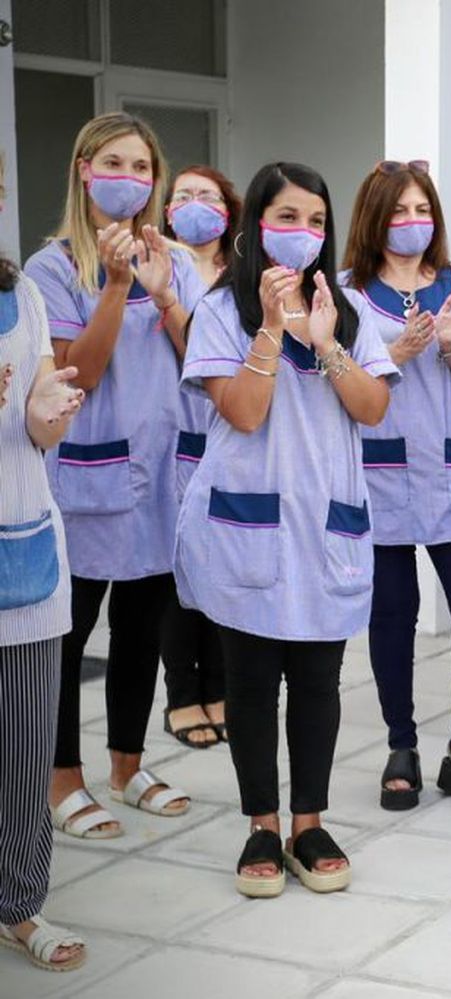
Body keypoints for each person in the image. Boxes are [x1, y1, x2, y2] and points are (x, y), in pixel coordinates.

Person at [175, 161, 397, 897]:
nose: (302, 233)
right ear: (256, 227)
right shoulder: (220, 311)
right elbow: (242, 411)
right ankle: (261, 825)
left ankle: (310, 822)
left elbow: (372, 409)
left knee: (317, 680)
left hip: (326, 523)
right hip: (252, 522)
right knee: (250, 681)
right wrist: (271, 330)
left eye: (314, 220)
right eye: (287, 218)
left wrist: (327, 342)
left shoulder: (350, 308)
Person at [25, 112, 200, 840]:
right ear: (84, 170)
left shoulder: (179, 261)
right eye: (115, 164)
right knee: (72, 632)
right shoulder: (51, 268)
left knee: (143, 625)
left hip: (161, 474)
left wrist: (162, 292)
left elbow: (202, 359)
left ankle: (127, 764)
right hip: (91, 476)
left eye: (141, 167)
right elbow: (78, 373)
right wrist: (115, 284)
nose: (129, 179)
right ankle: (60, 777)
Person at [342, 159, 451, 812]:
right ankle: (401, 745)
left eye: (422, 210)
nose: (413, 222)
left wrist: (448, 345)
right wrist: (400, 354)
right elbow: (340, 384)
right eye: (400, 211)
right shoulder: (348, 291)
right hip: (379, 477)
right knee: (392, 616)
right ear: (374, 220)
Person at [0, 161, 90, 971]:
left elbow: (34, 428)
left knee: (27, 753)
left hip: (24, 556)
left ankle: (20, 904)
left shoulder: (22, 296)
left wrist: (43, 412)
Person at [159, 164, 242, 749]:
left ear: (228, 211)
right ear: (166, 212)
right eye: (183, 196)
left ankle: (219, 686)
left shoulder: (241, 276)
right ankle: (181, 695)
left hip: (229, 431)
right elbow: (194, 350)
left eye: (206, 196)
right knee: (175, 571)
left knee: (223, 565)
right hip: (172, 435)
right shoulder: (154, 266)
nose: (194, 205)